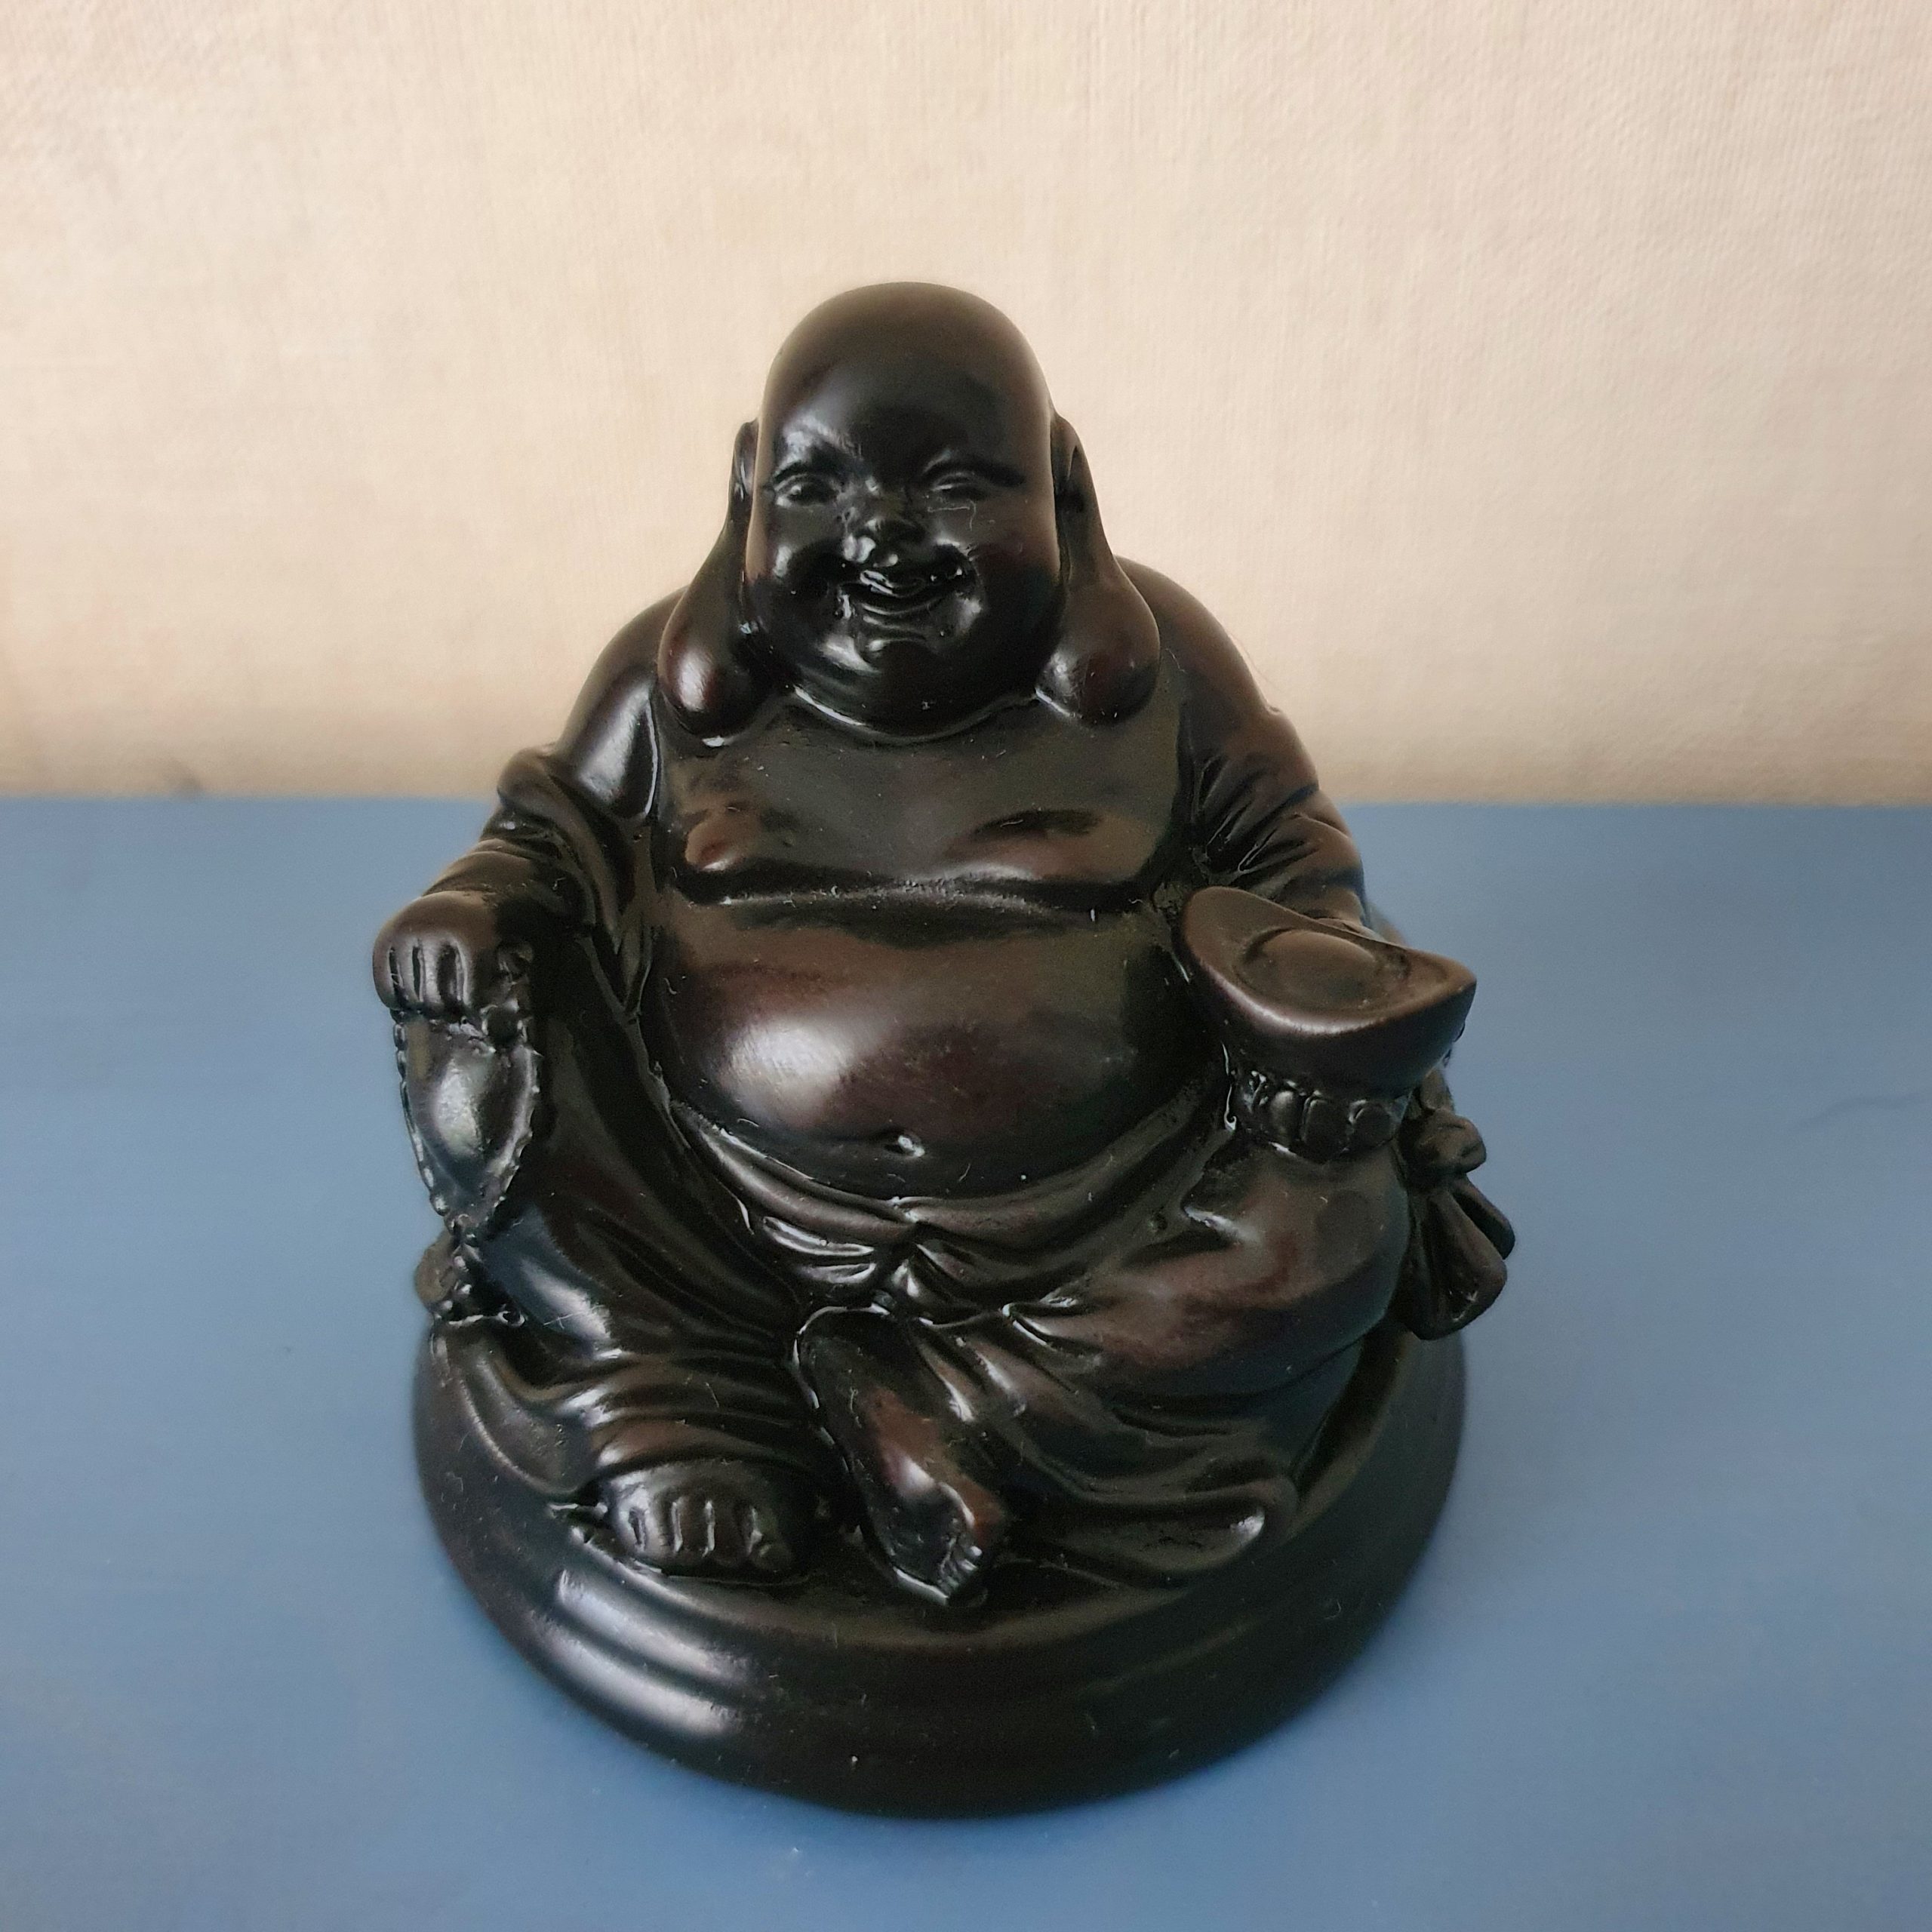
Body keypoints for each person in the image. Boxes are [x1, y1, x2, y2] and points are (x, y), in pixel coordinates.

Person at [375, 285, 1511, 1603]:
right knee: (481, 1041)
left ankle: (958, 1409)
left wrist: (1320, 1021)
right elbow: (547, 839)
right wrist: (471, 908)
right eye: (817, 486)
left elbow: (1295, 862)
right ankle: (683, 1403)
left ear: (1064, 491)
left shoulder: (1163, 673)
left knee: (1338, 1221)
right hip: (709, 1217)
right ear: (746, 491)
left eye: (958, 487)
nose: (883, 536)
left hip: (1105, 1210)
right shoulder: (665, 687)